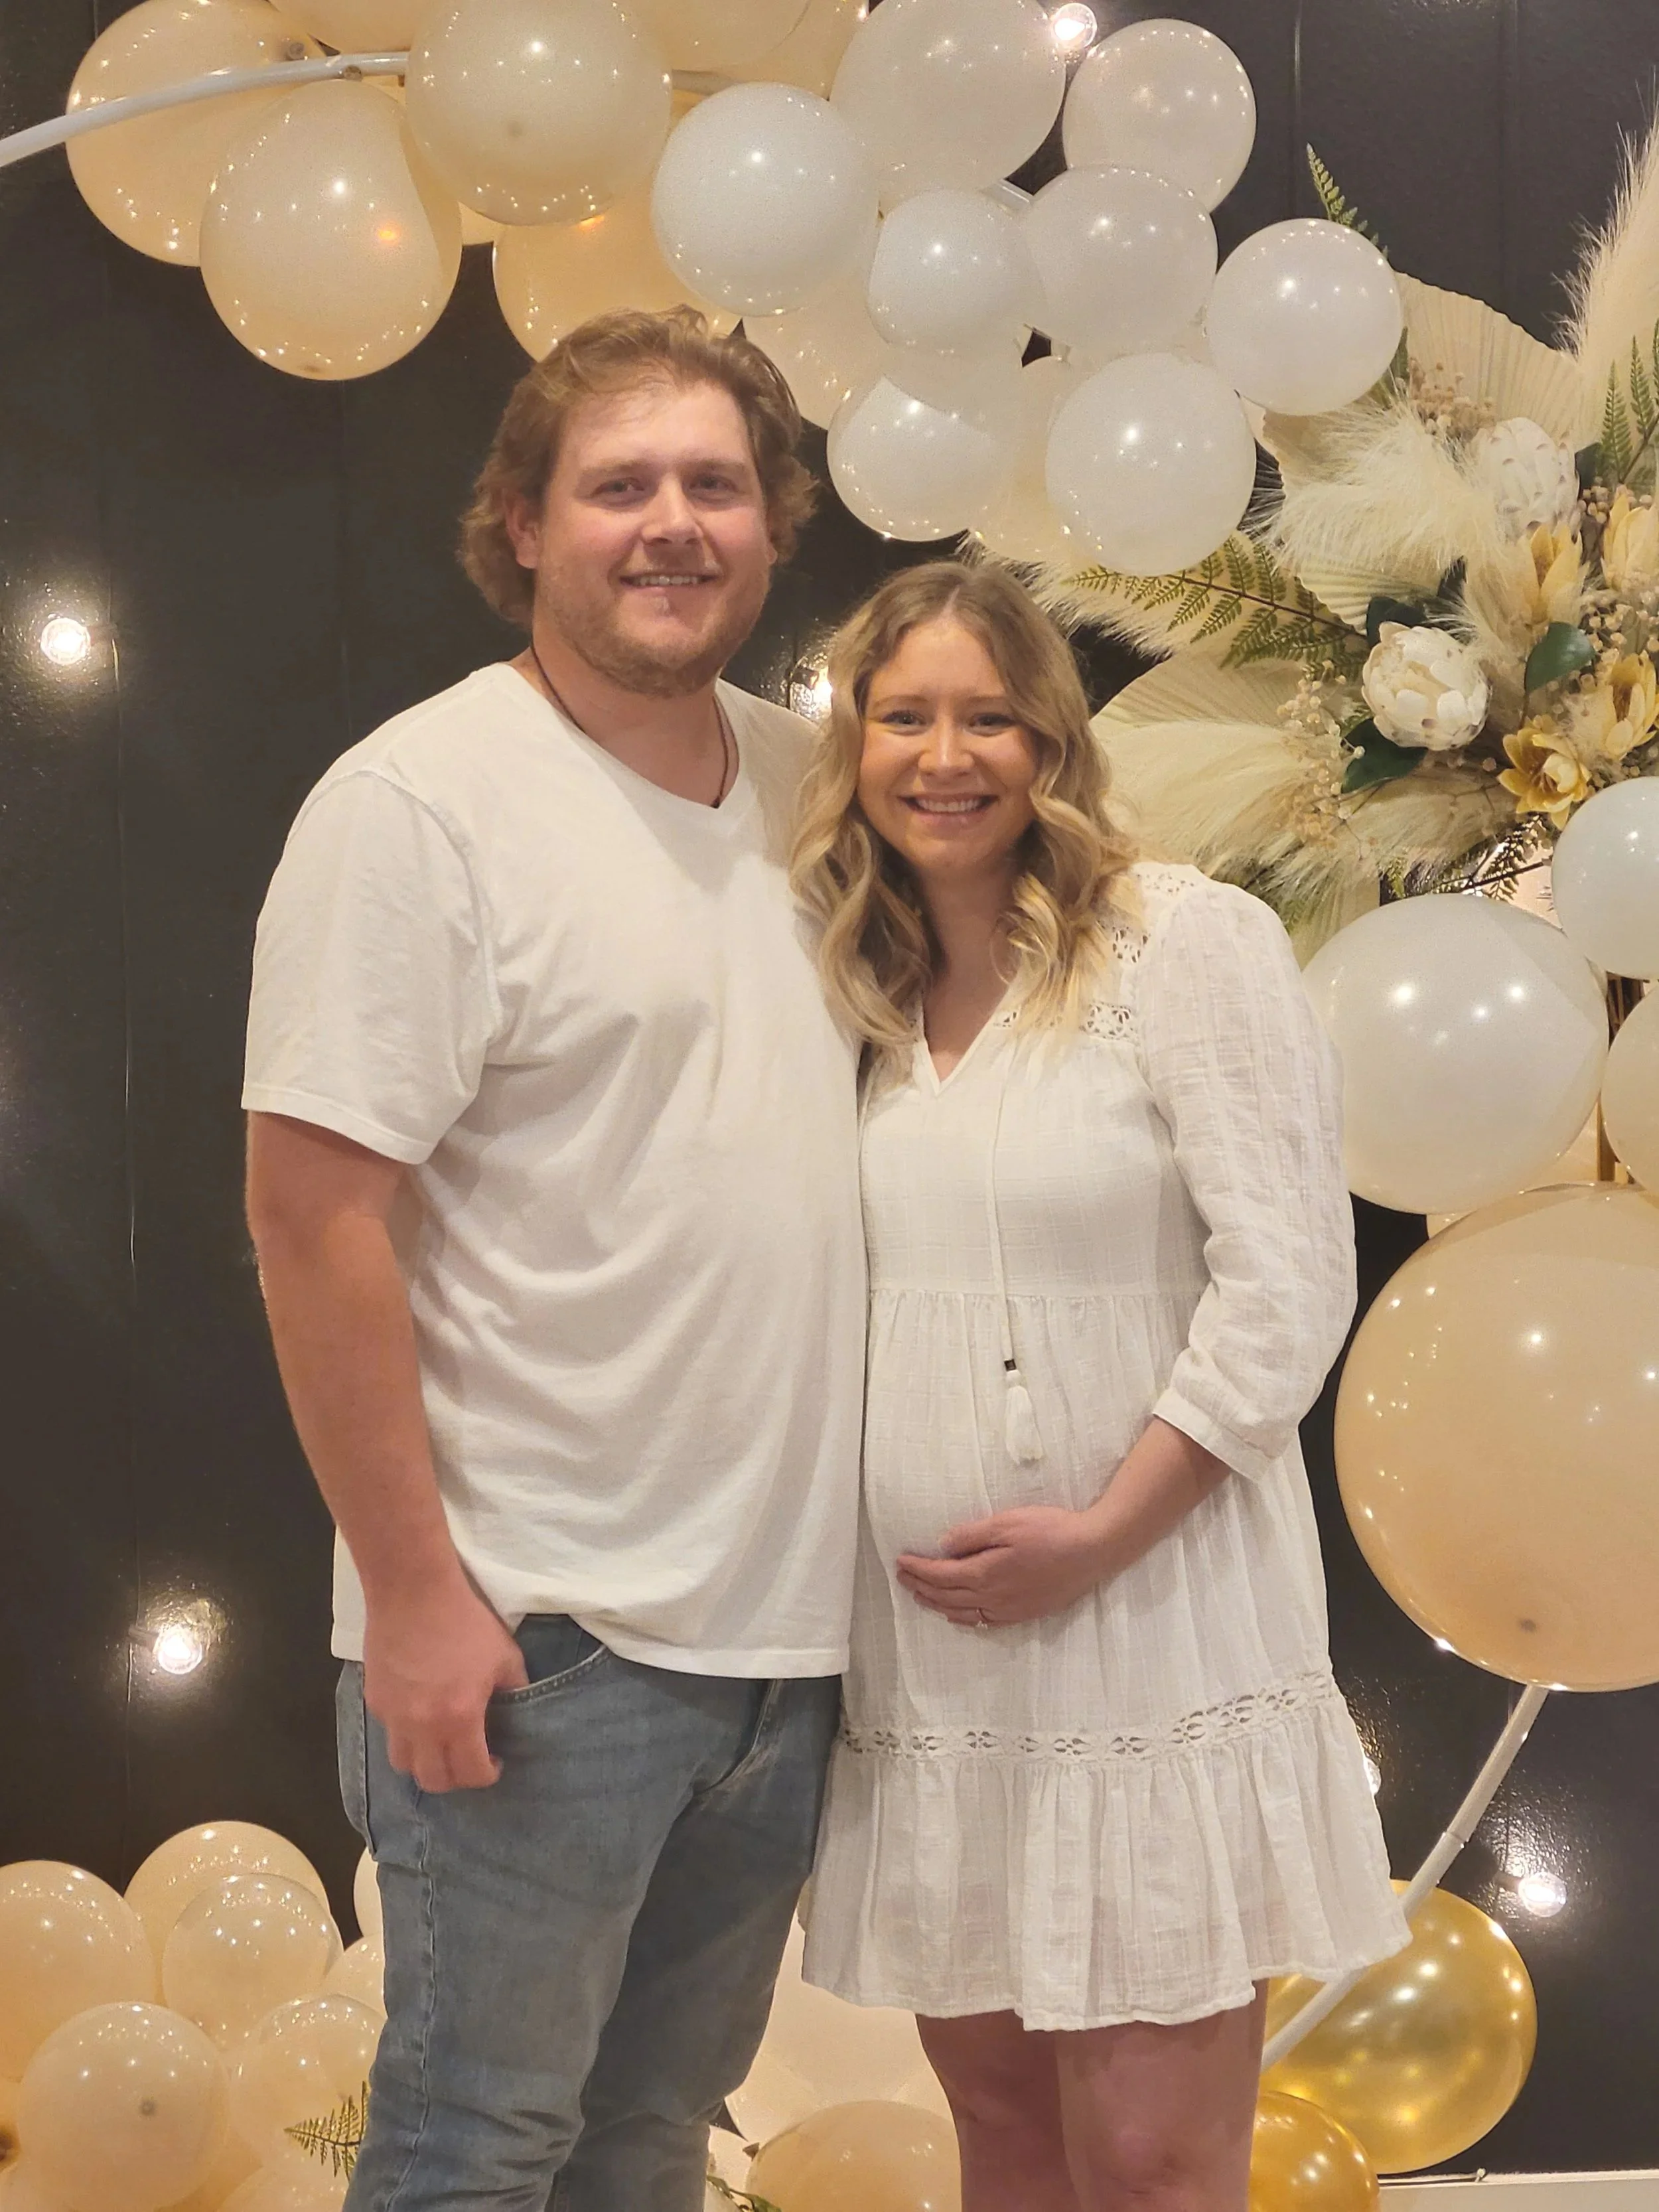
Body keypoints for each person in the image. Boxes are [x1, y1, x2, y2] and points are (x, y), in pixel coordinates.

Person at [242, 309, 867, 2211]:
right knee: (472, 2147)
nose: (669, 524)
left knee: (650, 2147)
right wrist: (419, 1597)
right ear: (520, 524)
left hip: (781, 1651)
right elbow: (310, 1216)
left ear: (770, 527)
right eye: (617, 485)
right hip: (540, 1643)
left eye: (713, 484)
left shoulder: (819, 792)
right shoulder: (416, 808)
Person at [791, 561, 1407, 2212]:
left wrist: (1098, 1532)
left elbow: (1285, 1286)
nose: (943, 755)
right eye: (903, 715)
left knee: (1149, 2163)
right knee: (999, 2134)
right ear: (851, 743)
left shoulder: (1186, 943)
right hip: (931, 1666)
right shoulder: (845, 984)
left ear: (1049, 739)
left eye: (985, 716)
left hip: (1154, 1631)